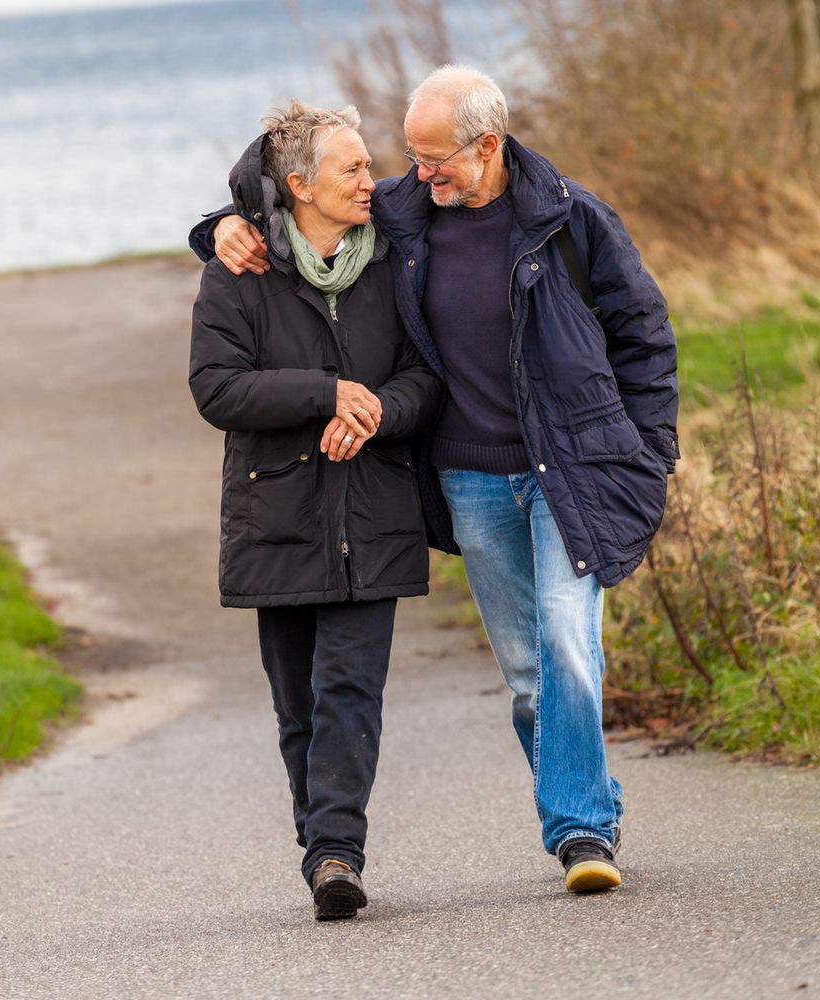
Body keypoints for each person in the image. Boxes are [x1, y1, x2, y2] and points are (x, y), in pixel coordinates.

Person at [191, 66, 680, 894]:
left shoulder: (571, 217)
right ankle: (577, 805)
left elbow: (642, 330)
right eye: (407, 159)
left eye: (433, 158)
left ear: (485, 145)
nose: (412, 174)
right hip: (473, 479)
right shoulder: (410, 210)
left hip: (572, 469)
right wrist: (220, 227)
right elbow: (290, 204)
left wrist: (651, 447)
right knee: (527, 671)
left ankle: (581, 830)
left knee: (567, 638)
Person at [189, 101, 441, 920]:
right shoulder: (239, 266)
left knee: (348, 690)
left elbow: (425, 376)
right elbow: (216, 388)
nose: (375, 180)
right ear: (298, 185)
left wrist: (376, 411)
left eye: (369, 166)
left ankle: (338, 851)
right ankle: (322, 848)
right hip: (280, 517)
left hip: (375, 511)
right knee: (297, 703)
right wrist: (325, 392)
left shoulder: (396, 260)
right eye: (354, 169)